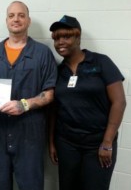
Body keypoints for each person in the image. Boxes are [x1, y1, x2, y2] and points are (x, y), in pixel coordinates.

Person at [0, 1, 57, 190]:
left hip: (30, 132)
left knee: (30, 184)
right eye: (12, 15)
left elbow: (49, 94)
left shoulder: (42, 53)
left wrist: (24, 105)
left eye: (21, 15)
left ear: (28, 21)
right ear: (6, 20)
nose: (16, 19)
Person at [48, 15, 126, 190]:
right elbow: (54, 109)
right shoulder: (58, 71)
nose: (60, 42)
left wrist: (107, 142)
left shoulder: (101, 62)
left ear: (77, 37)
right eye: (57, 38)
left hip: (97, 144)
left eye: (66, 37)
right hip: (67, 143)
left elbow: (119, 103)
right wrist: (51, 142)